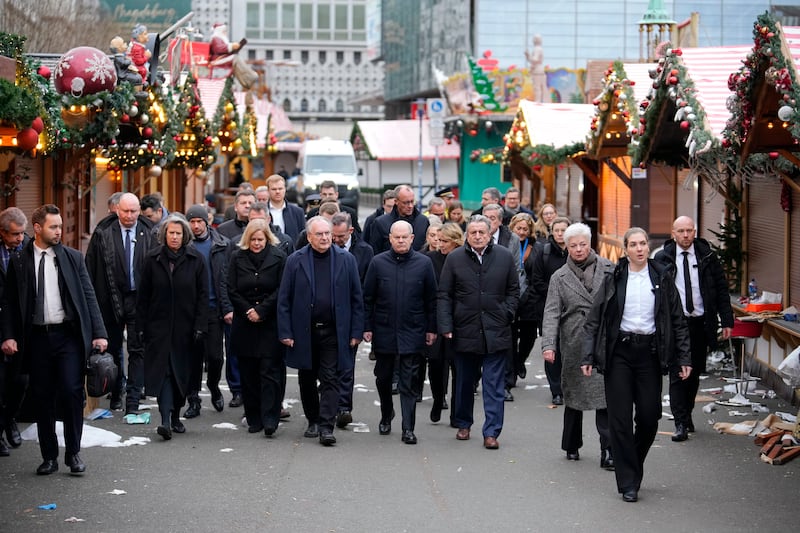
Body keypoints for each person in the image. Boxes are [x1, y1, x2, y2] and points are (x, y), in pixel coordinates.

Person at [581, 227, 691, 503]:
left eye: (644, 244)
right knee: (619, 419)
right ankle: (628, 482)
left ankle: (632, 461)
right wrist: (587, 356)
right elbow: (595, 319)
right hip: (619, 353)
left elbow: (677, 320)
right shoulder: (614, 277)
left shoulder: (662, 277)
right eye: (634, 244)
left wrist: (684, 358)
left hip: (650, 353)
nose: (640, 249)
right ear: (625, 249)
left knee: (649, 415)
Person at [1, 204, 108, 475]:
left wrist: (99, 333)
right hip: (36, 339)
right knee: (42, 396)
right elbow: (10, 303)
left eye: (60, 226)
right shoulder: (20, 260)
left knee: (72, 393)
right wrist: (9, 335)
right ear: (37, 228)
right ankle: (49, 456)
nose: (59, 231)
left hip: (67, 337)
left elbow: (88, 296)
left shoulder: (72, 258)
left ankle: (73, 453)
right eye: (53, 226)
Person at [277, 216, 364, 446]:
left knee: (330, 378)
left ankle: (327, 426)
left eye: (327, 233)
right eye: (320, 234)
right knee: (306, 377)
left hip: (335, 332)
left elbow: (357, 298)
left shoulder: (346, 259)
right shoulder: (295, 261)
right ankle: (313, 420)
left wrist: (356, 331)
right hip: (305, 331)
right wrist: (286, 332)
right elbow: (284, 299)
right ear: (309, 237)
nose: (325, 238)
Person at [437, 215, 519, 450]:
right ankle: (463, 423)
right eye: (472, 232)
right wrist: (446, 326)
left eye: (481, 232)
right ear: (466, 235)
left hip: (496, 330)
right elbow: (444, 295)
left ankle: (492, 431)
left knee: (494, 386)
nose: (477, 236)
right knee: (464, 382)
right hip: (465, 331)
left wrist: (507, 313)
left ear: (489, 233)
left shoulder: (503, 257)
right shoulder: (454, 259)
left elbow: (514, 289)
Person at [541, 223, 615, 467]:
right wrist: (549, 345)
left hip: (602, 340)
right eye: (573, 246)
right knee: (573, 395)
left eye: (583, 244)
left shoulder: (609, 269)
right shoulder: (559, 277)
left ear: (590, 243)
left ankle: (609, 450)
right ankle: (572, 444)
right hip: (573, 340)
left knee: (605, 396)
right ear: (567, 247)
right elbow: (551, 313)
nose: (579, 249)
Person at [654, 216, 733, 442]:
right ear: (673, 233)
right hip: (676, 325)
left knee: (695, 371)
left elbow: (720, 289)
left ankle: (686, 413)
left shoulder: (707, 256)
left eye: (689, 230)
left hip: (700, 322)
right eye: (681, 231)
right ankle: (680, 422)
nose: (686, 235)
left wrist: (726, 320)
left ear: (695, 232)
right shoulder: (663, 258)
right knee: (679, 373)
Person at [363, 221, 437, 444]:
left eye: (405, 237)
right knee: (383, 378)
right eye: (397, 237)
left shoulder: (424, 264)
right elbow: (368, 298)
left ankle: (408, 428)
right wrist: (366, 327)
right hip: (384, 329)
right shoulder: (378, 263)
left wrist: (432, 328)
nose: (401, 240)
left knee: (409, 380)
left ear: (412, 238)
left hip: (413, 329)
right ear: (390, 238)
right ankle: (387, 413)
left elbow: (431, 299)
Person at [136, 215, 208, 441]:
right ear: (164, 235)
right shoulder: (152, 259)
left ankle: (175, 415)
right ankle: (165, 419)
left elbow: (203, 297)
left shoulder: (195, 260)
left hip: (186, 330)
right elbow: (143, 296)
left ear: (184, 235)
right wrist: (140, 326)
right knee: (163, 373)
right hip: (158, 328)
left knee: (181, 375)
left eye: (178, 233)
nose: (174, 237)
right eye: (171, 233)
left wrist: (200, 325)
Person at [85, 192, 156, 414]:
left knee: (137, 349)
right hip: (110, 299)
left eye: (134, 211)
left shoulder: (150, 232)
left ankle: (133, 401)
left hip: (139, 299)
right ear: (117, 210)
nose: (129, 215)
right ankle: (116, 393)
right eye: (125, 211)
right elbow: (91, 268)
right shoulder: (102, 232)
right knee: (114, 349)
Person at [227, 219, 287, 437]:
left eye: (260, 239)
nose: (257, 243)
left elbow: (282, 289)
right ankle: (254, 417)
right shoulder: (237, 257)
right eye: (253, 239)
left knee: (270, 372)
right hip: (245, 324)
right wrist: (247, 310)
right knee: (248, 373)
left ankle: (271, 418)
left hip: (269, 323)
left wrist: (262, 310)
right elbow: (231, 288)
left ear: (267, 238)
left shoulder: (279, 257)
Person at [184, 204, 232, 416]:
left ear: (206, 222)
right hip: (191, 311)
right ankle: (193, 399)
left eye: (199, 222)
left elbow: (229, 277)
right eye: (192, 222)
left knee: (215, 357)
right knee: (192, 358)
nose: (195, 226)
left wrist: (227, 306)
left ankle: (213, 386)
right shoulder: (184, 245)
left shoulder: (222, 244)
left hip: (214, 309)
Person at [331, 212, 373, 428]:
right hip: (328, 317)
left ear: (350, 231)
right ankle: (329, 402)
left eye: (339, 236)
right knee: (329, 366)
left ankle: (344, 407)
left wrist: (364, 325)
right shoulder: (326, 249)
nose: (336, 240)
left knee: (346, 365)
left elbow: (366, 292)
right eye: (333, 235)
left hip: (351, 317)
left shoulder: (365, 252)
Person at [216, 189, 255, 408]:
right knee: (233, 349)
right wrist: (227, 306)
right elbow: (224, 274)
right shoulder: (225, 231)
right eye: (244, 202)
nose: (247, 206)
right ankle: (237, 389)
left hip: (258, 304)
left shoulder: (269, 234)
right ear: (236, 206)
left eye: (251, 202)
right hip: (235, 302)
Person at [424, 222, 463, 426]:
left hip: (460, 320)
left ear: (455, 241)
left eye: (444, 241)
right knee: (436, 364)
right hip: (436, 319)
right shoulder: (430, 259)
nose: (439, 244)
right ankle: (438, 398)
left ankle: (457, 412)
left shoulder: (464, 259)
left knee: (459, 368)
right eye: (437, 240)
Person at [528, 216, 570, 404]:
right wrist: (556, 294)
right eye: (557, 230)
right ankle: (556, 390)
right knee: (552, 349)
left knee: (571, 349)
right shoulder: (543, 252)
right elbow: (536, 281)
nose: (560, 234)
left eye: (564, 230)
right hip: (549, 308)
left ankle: (569, 386)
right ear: (551, 231)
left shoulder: (577, 251)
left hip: (574, 310)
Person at [483, 203, 521, 400]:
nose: (489, 221)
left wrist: (510, 307)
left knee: (506, 344)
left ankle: (506, 384)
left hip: (502, 299)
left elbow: (516, 270)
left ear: (500, 220)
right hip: (479, 299)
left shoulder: (511, 239)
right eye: (486, 217)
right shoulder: (474, 234)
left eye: (493, 218)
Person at [0, 207, 30, 454]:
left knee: (21, 380)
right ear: (2, 232)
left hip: (21, 325)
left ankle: (9, 419)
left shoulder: (28, 249)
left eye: (22, 233)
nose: (19, 238)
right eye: (14, 234)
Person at [509, 212, 537, 381]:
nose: (521, 232)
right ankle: (511, 372)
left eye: (525, 229)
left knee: (530, 335)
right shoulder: (507, 245)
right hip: (511, 296)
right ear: (512, 228)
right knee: (510, 337)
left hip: (529, 297)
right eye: (518, 228)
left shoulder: (535, 247)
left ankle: (520, 360)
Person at [368, 185, 430, 253]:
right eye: (405, 202)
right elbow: (375, 252)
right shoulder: (380, 223)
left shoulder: (423, 221)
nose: (410, 206)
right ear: (396, 201)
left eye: (412, 201)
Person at [266, 174, 306, 241]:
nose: (277, 192)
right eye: (274, 189)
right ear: (268, 191)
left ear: (285, 189)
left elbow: (303, 236)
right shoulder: (262, 211)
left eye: (280, 188)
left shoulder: (298, 212)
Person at [525, 34, 547, 103]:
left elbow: (535, 60)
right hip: (539, 69)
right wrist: (528, 56)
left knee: (537, 87)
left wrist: (528, 55)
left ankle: (538, 101)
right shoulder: (539, 48)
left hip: (537, 70)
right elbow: (533, 61)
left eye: (534, 39)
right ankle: (540, 100)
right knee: (540, 87)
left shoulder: (537, 49)